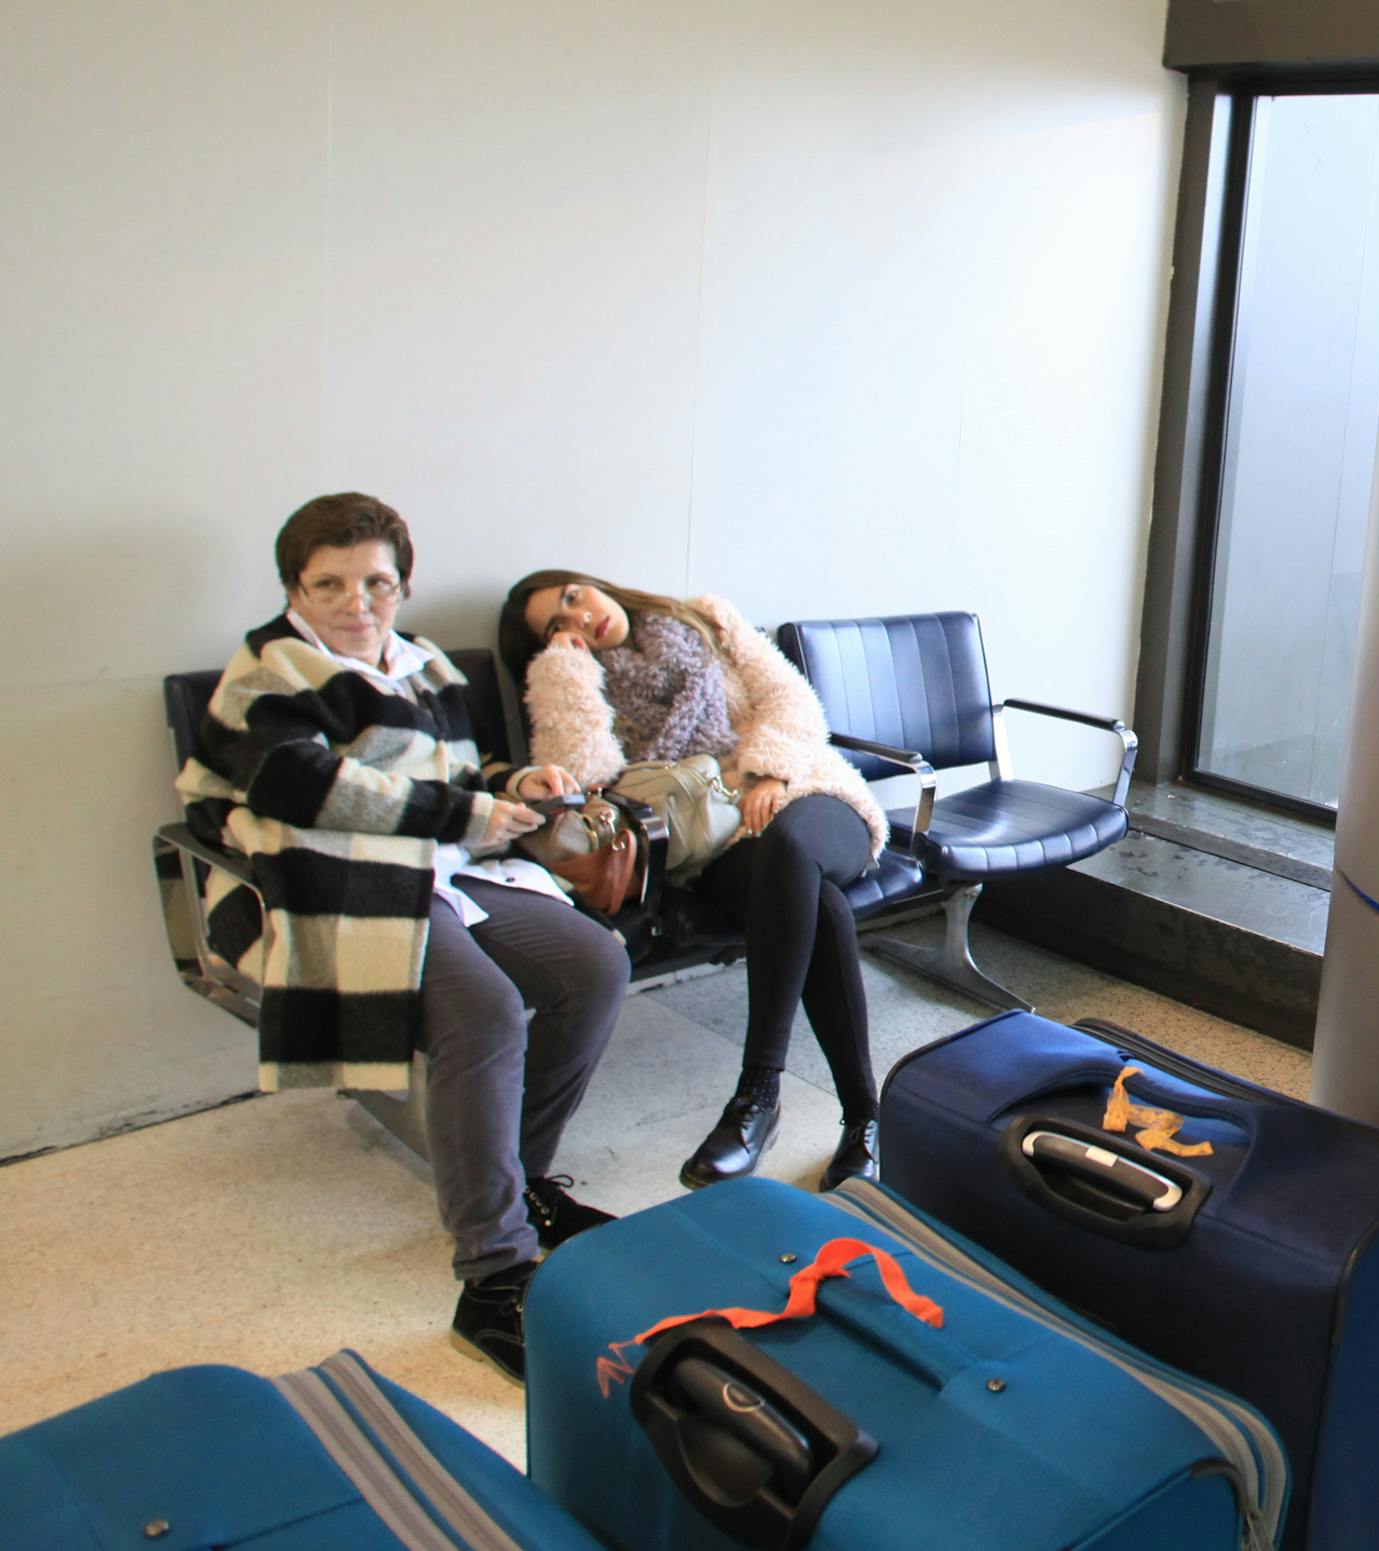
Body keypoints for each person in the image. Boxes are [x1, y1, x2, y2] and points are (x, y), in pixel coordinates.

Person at [178, 495, 628, 1384]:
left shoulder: (421, 664)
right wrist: (469, 807)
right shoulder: (266, 669)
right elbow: (298, 786)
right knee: (486, 1012)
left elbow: (456, 773)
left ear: (402, 582)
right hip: (322, 878)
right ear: (293, 587)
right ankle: (494, 1277)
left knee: (594, 963)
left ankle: (515, 1179)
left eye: (377, 582)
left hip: (439, 866)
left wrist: (514, 779)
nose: (357, 602)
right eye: (329, 583)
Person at [498, 571, 887, 1196]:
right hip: (716, 837)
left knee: (792, 849)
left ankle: (756, 1096)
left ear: (594, 584)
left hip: (810, 791)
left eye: (574, 598)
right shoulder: (584, 681)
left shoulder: (707, 619)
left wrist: (770, 772)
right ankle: (866, 1119)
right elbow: (587, 782)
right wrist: (564, 677)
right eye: (556, 627)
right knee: (817, 903)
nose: (580, 619)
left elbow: (790, 697)